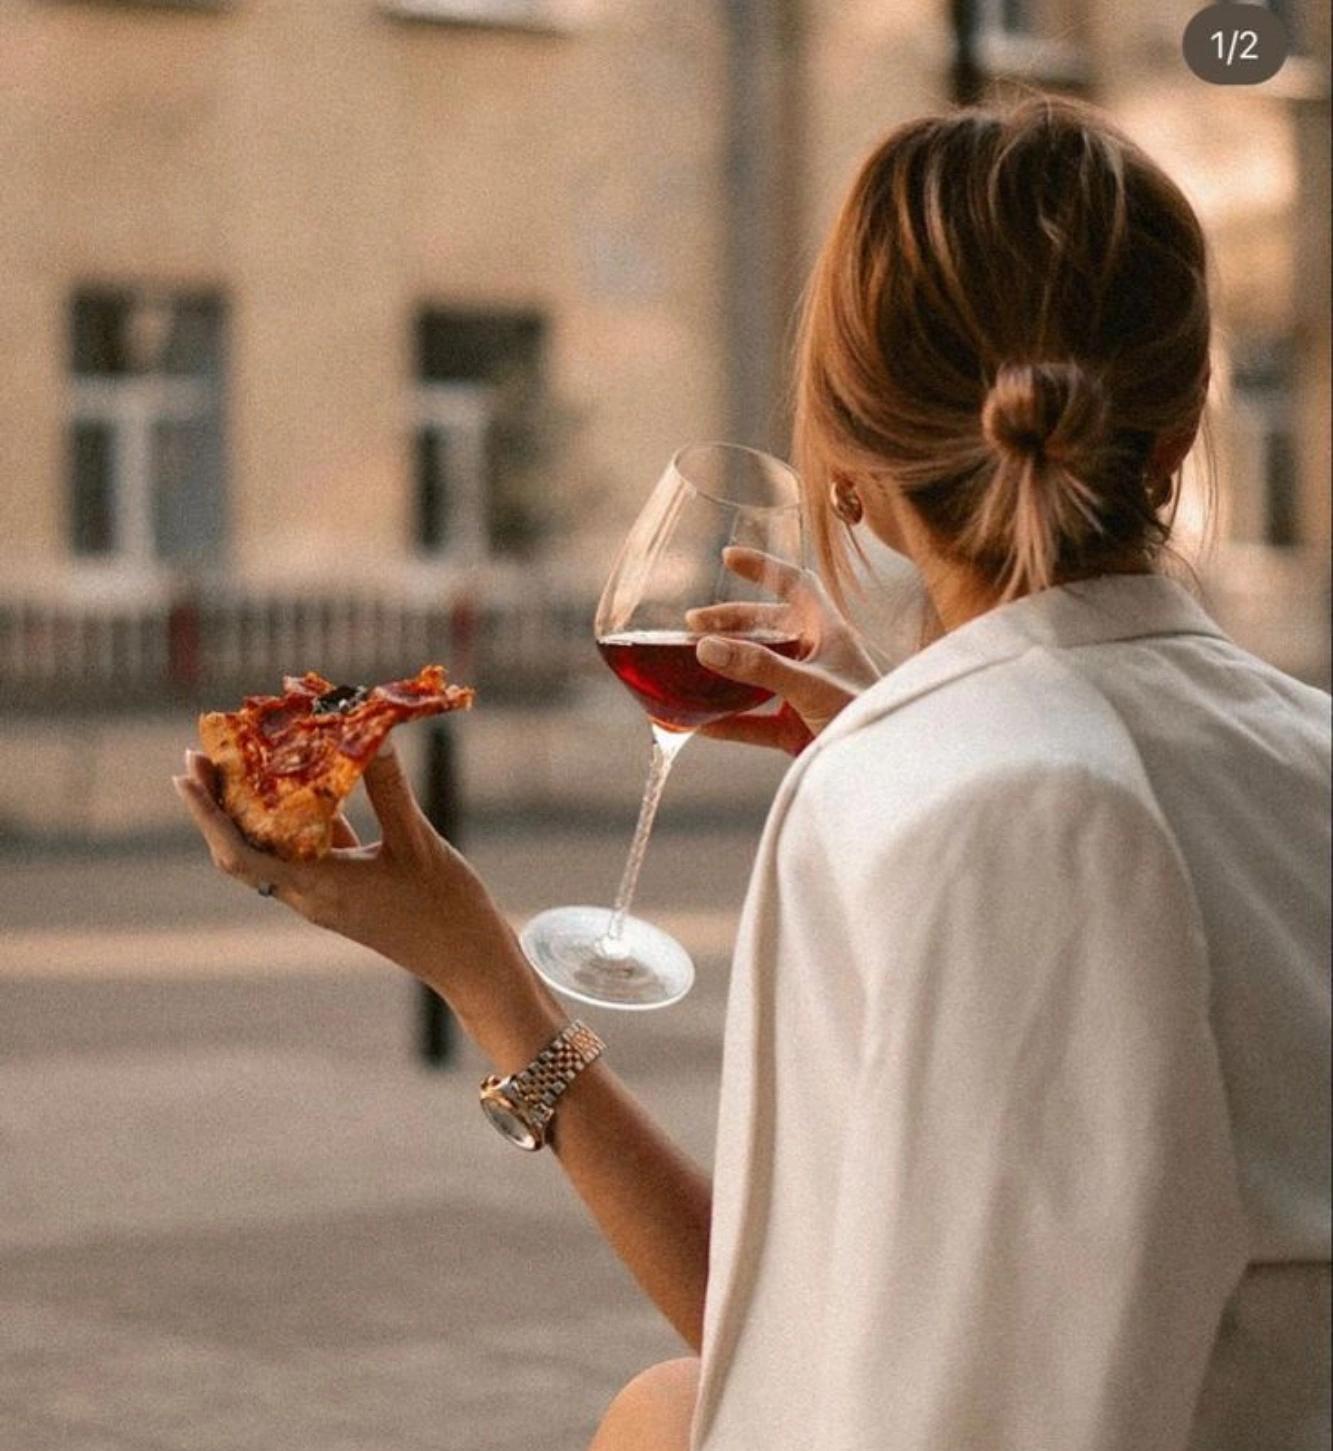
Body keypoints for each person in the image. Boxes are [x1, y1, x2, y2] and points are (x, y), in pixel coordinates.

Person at [174, 92, 1332, 1450]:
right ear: (1184, 422)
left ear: (840, 466)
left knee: (655, 1420)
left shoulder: (940, 797)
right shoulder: (1292, 753)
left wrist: (480, 972)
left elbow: (805, 1370)